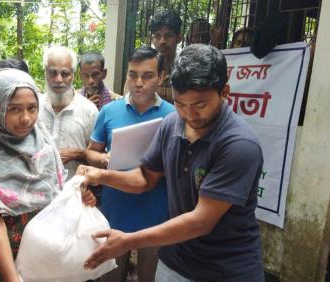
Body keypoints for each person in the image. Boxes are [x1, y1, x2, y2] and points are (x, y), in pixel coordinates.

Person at [80, 44, 265, 281]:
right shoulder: (171, 124)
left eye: (200, 105)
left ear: (224, 92)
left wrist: (128, 240)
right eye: (180, 103)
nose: (189, 114)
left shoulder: (239, 145)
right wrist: (100, 175)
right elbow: (145, 178)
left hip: (225, 270)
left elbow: (201, 221)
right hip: (174, 262)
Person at [0, 68, 95, 282]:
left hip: (47, 252)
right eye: (14, 109)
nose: (25, 118)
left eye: (32, 108)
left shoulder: (44, 143)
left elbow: (56, 195)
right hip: (8, 257)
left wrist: (78, 196)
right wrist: (12, 278)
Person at [86, 46, 174, 282]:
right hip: (115, 214)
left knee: (150, 277)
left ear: (161, 77)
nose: (138, 83)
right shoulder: (109, 111)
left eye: (147, 76)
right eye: (132, 75)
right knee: (110, 276)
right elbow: (90, 154)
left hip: (156, 217)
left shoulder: (174, 116)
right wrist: (104, 158)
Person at [39, 46, 98, 180]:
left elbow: (98, 158)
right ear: (45, 73)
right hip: (36, 194)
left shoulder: (89, 110)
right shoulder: (33, 107)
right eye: (52, 73)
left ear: (73, 75)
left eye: (65, 73)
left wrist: (78, 154)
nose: (58, 79)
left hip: (75, 194)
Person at [149, 10, 182, 103]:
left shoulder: (185, 69)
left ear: (179, 38)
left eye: (168, 35)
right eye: (157, 36)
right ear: (152, 39)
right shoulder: (144, 69)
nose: (162, 41)